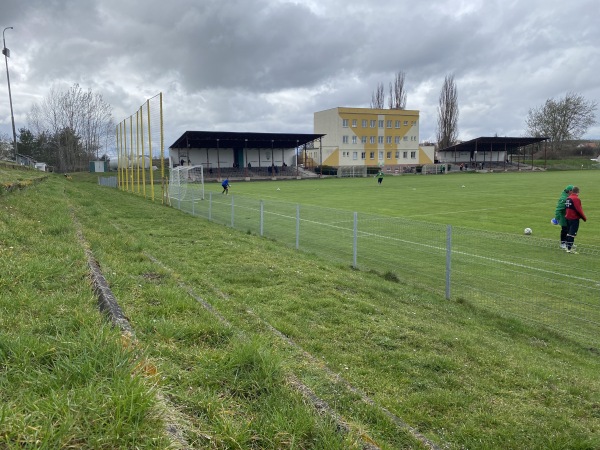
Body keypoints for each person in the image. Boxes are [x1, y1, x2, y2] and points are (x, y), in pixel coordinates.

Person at [564, 186, 587, 253]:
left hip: (568, 217)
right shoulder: (576, 199)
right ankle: (569, 249)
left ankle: (567, 247)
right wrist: (584, 218)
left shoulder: (568, 198)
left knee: (568, 233)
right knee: (572, 234)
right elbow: (579, 210)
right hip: (574, 218)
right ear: (578, 192)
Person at [554, 184, 574, 249]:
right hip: (564, 218)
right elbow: (558, 209)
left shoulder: (570, 196)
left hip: (570, 217)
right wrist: (557, 218)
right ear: (569, 191)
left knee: (570, 230)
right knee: (565, 230)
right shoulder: (563, 199)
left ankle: (569, 243)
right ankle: (563, 243)